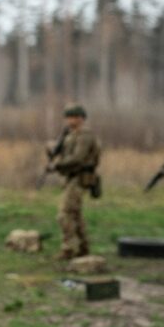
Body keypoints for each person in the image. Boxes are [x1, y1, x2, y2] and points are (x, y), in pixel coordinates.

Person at [50, 104, 101, 260]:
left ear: (81, 118)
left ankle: (69, 248)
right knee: (75, 214)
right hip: (71, 177)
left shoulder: (85, 135)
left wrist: (59, 164)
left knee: (64, 214)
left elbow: (78, 158)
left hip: (80, 177)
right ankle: (83, 247)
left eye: (73, 117)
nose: (70, 120)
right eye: (68, 117)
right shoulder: (70, 134)